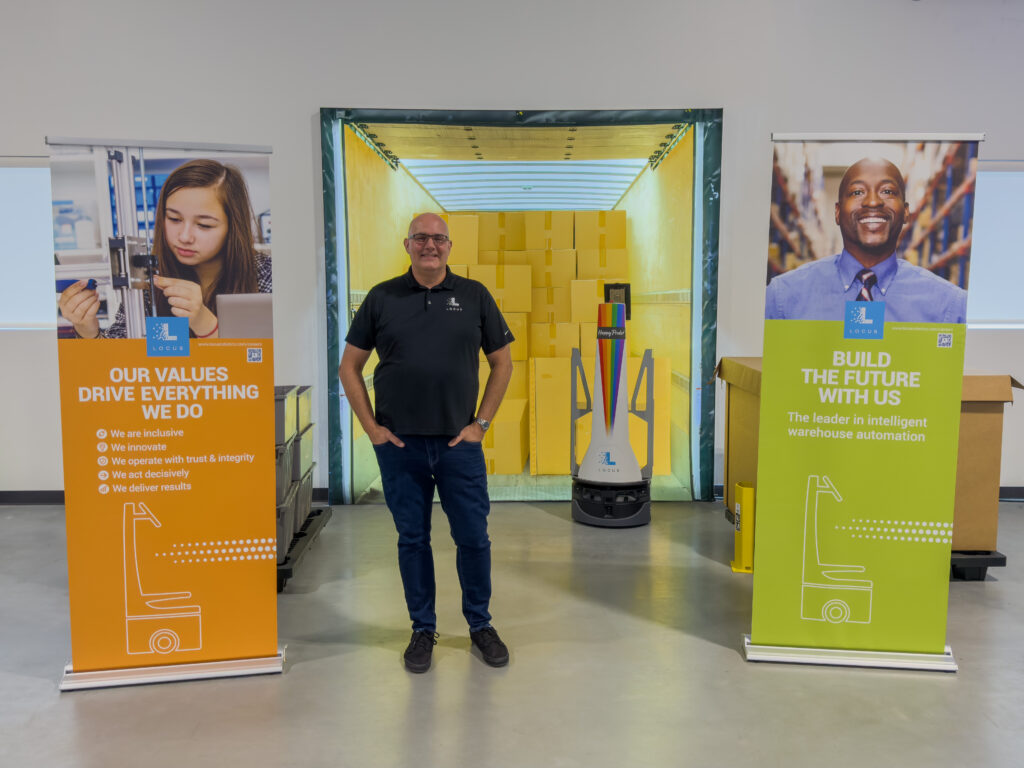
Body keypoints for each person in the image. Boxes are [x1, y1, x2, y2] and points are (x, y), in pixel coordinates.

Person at [339, 212, 514, 673]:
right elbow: (349, 367)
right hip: (401, 447)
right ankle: (423, 628)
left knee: (473, 538)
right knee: (412, 539)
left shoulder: (474, 296)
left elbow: (503, 363)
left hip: (460, 445)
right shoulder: (382, 298)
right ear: (407, 244)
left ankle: (480, 624)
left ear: (450, 246)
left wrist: (481, 423)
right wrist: (372, 429)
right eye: (421, 238)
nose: (430, 245)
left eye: (438, 238)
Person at [58, 159, 271, 339]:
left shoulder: (265, 274)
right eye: (174, 218)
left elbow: (271, 367)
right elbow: (122, 367)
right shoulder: (150, 278)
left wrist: (206, 325)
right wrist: (86, 328)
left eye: (204, 225)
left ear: (233, 227)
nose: (185, 237)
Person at [764, 157, 967, 323]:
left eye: (887, 191)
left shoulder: (949, 307)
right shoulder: (782, 298)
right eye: (857, 192)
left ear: (906, 212)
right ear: (837, 212)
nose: (873, 201)